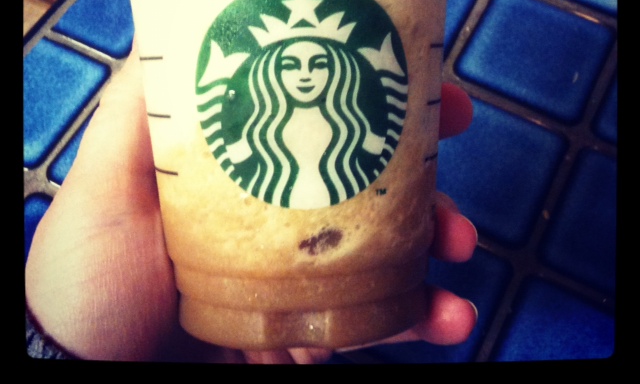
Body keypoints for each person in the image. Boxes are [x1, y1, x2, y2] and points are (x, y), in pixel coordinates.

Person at [25, 42, 478, 363]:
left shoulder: (350, 132)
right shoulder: (262, 136)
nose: (304, 76)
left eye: (319, 63)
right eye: (290, 65)